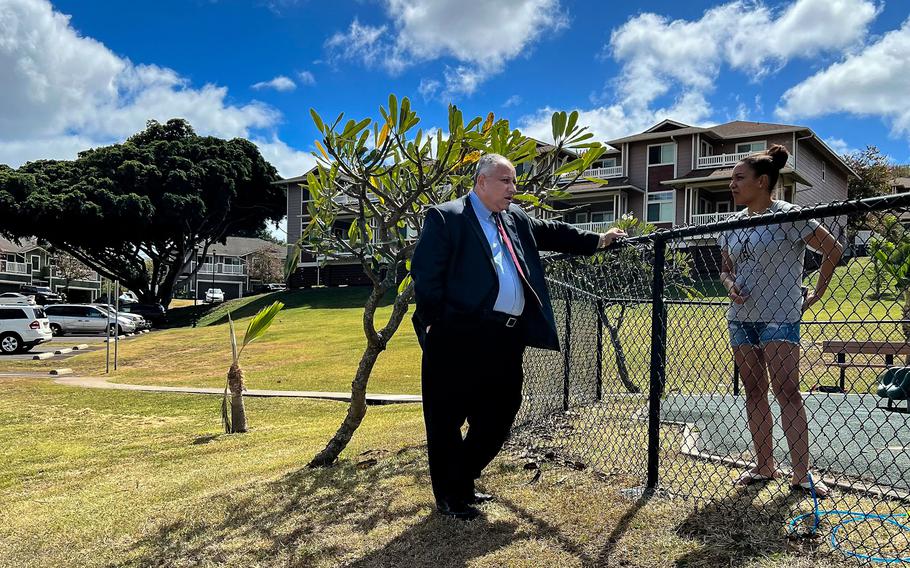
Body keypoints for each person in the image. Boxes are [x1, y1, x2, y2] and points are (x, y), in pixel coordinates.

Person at [411, 153, 626, 519]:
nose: (513, 188)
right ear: (481, 182)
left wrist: (600, 239)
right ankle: (451, 495)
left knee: (501, 411)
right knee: (447, 417)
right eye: (505, 181)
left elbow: (555, 233)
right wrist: (433, 324)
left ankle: (459, 478)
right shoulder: (447, 217)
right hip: (456, 335)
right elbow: (426, 273)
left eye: (514, 181)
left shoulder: (515, 219)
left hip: (504, 338)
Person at [719, 144, 842, 497]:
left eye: (738, 178)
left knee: (786, 391)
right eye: (731, 179)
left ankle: (801, 475)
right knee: (754, 391)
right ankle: (764, 466)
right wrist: (730, 286)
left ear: (762, 181)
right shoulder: (731, 225)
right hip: (741, 318)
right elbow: (726, 270)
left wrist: (817, 292)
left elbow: (833, 249)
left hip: (780, 316)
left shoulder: (789, 215)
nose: (732, 184)